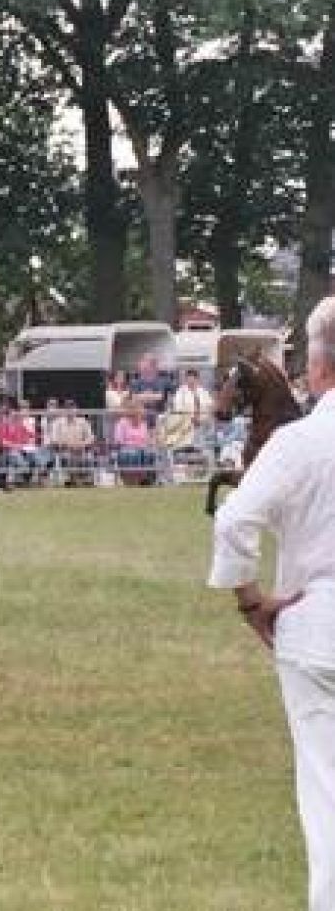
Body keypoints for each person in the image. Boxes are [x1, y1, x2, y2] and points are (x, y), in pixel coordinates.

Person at [209, 294, 335, 911]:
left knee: (326, 793)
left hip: (315, 628)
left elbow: (233, 523)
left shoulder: (295, 444)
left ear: (317, 368)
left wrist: (251, 601)